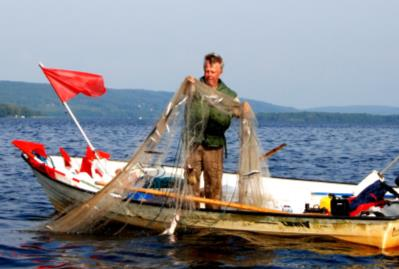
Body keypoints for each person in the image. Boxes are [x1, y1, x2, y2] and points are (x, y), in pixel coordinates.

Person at [185, 52, 241, 210]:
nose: (208, 75)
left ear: (220, 72)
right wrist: (188, 86)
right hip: (193, 143)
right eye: (206, 71)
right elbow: (183, 95)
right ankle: (191, 213)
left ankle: (213, 215)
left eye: (212, 72)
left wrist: (243, 110)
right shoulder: (194, 86)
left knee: (214, 184)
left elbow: (237, 112)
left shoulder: (229, 94)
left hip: (214, 145)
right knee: (191, 182)